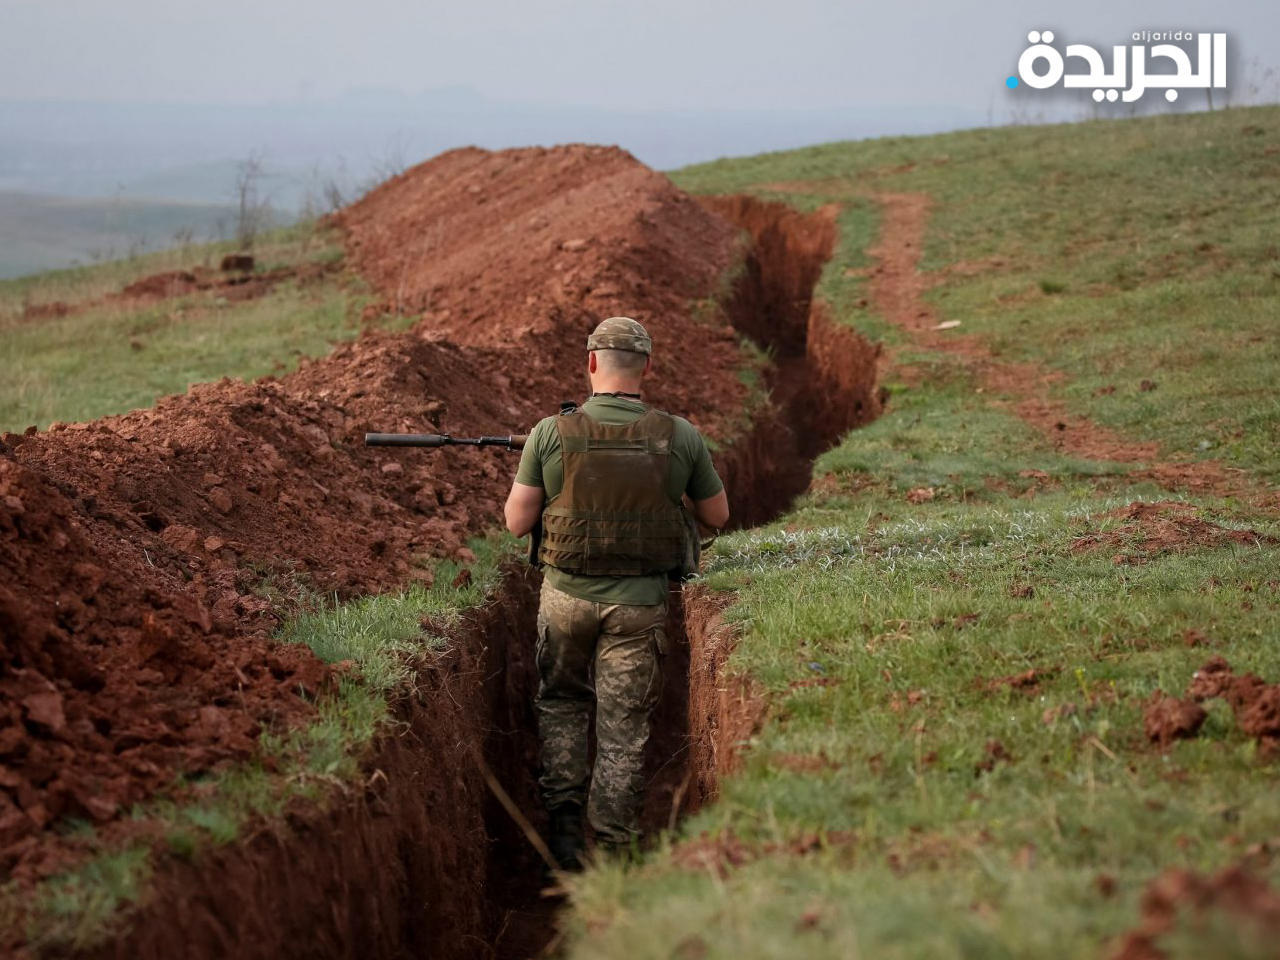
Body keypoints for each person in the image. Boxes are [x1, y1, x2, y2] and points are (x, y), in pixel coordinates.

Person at [503, 316, 729, 869]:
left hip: (564, 600)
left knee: (562, 703)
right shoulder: (680, 436)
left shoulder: (549, 434)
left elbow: (516, 522)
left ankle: (563, 832)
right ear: (646, 368)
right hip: (639, 606)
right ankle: (614, 850)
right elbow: (717, 515)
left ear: (590, 363)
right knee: (623, 729)